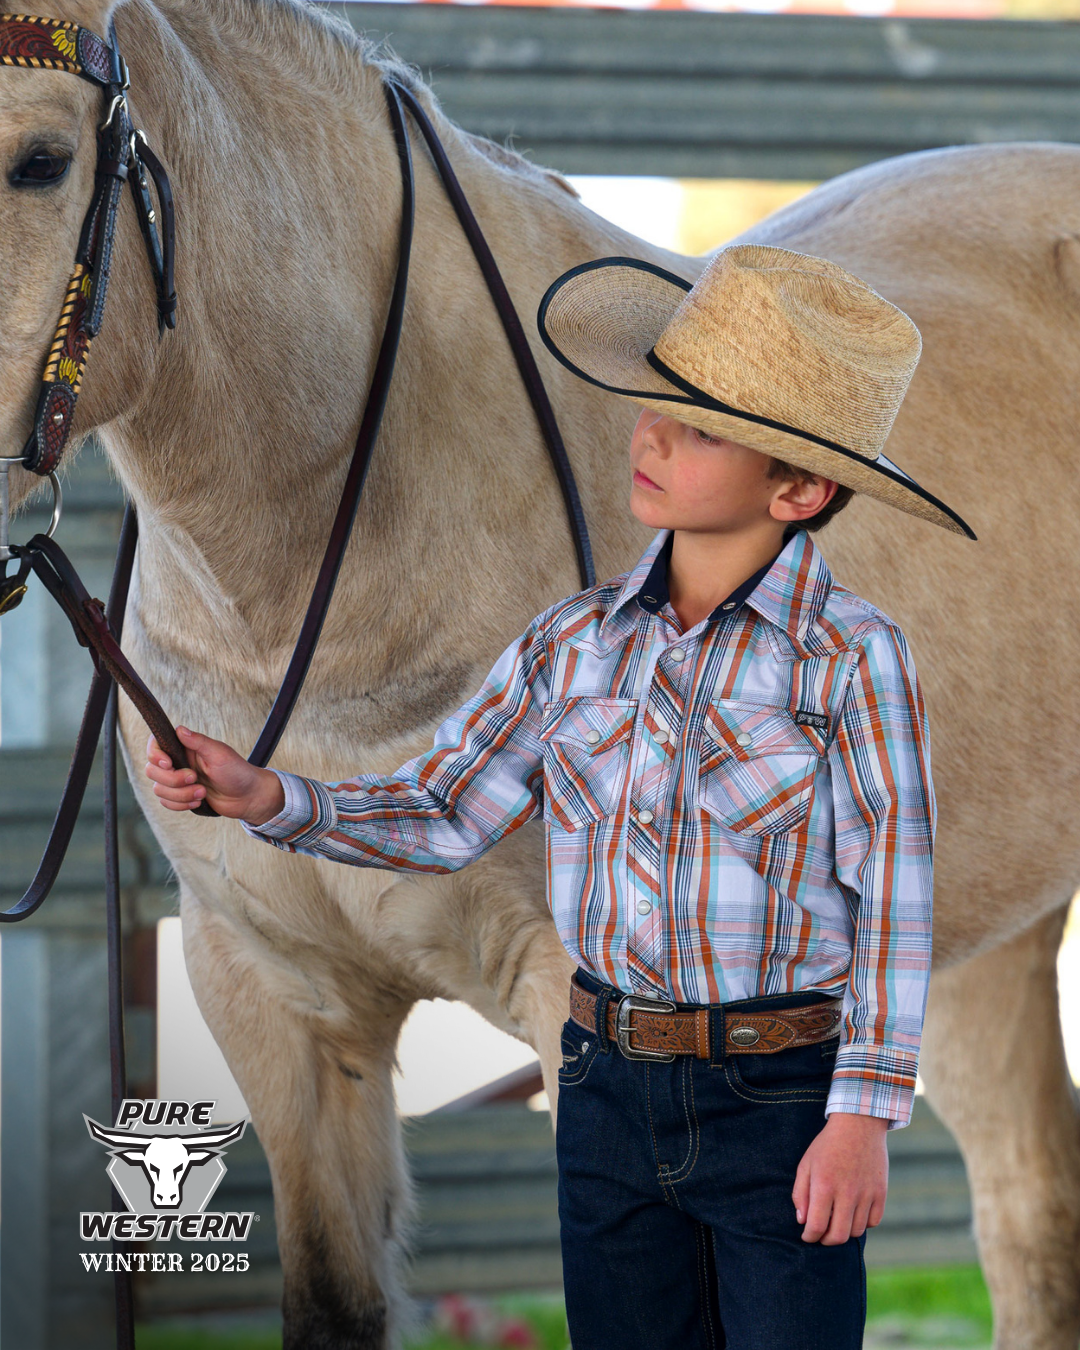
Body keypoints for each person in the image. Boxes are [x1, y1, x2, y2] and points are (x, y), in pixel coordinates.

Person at [145, 244, 976, 1350]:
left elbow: (893, 903)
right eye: (657, 408)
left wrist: (862, 1117)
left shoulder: (850, 659)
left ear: (800, 488)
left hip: (778, 1100)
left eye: (703, 427)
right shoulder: (571, 642)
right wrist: (272, 798)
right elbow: (447, 811)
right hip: (602, 1090)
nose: (652, 435)